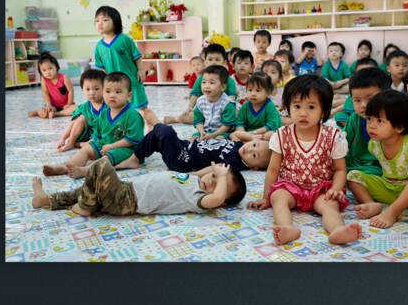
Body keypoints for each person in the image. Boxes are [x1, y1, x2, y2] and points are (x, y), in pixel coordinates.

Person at [248, 75, 361, 246]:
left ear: (323, 111)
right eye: (297, 106)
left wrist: (336, 189)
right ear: (287, 108)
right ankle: (287, 228)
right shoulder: (281, 135)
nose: (303, 113)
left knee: (330, 205)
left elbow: (339, 170)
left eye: (311, 107)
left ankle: (338, 229)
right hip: (291, 187)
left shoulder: (332, 136)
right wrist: (266, 198)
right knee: (277, 197)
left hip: (321, 189)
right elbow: (273, 170)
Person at [32, 159, 246, 218]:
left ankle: (86, 207)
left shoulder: (199, 199)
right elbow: (204, 173)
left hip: (128, 201)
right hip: (126, 189)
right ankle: (46, 199)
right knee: (84, 189)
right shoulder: (193, 181)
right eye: (213, 178)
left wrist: (223, 177)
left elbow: (217, 199)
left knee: (100, 165)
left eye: (218, 186)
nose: (211, 182)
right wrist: (217, 171)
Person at [346, 89, 408, 227]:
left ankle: (393, 212)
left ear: (399, 127)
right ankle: (371, 204)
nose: (371, 124)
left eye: (379, 120)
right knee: (352, 175)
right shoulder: (374, 145)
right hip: (390, 190)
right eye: (369, 118)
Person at [42, 72, 143, 177]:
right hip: (106, 145)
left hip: (128, 150)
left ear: (129, 95)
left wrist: (112, 146)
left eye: (118, 92)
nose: (112, 95)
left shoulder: (132, 115)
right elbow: (98, 135)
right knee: (86, 149)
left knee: (108, 157)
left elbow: (132, 140)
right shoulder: (104, 113)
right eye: (108, 91)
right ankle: (64, 167)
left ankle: (86, 171)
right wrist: (92, 146)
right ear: (103, 93)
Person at [90, 5, 158, 128]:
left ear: (115, 22)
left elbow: (137, 56)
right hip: (115, 87)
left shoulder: (125, 39)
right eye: (97, 20)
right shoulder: (98, 47)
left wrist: (141, 70)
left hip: (132, 83)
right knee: (120, 111)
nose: (100, 23)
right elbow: (101, 69)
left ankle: (155, 128)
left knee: (142, 109)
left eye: (105, 20)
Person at [134, 123, 270, 173]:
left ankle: (135, 156)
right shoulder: (240, 145)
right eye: (253, 146)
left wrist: (193, 174)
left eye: (254, 156)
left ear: (254, 167)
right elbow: (235, 134)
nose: (250, 149)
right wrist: (253, 137)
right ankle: (136, 157)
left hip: (183, 160)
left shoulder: (235, 163)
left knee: (165, 130)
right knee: (156, 138)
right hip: (185, 146)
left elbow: (213, 169)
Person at [164, 42, 238, 125]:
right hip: (205, 109)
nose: (213, 62)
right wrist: (190, 107)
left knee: (236, 116)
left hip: (223, 109)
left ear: (224, 62)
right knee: (192, 117)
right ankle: (176, 119)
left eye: (217, 60)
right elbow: (195, 94)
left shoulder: (228, 79)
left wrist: (229, 109)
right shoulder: (201, 78)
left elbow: (232, 96)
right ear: (205, 62)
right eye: (210, 59)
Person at [341, 67, 391, 184]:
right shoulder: (355, 118)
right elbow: (342, 141)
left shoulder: (390, 121)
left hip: (378, 167)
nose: (363, 105)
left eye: (370, 99)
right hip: (353, 163)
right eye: (357, 100)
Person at [55, 67, 106, 151]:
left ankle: (78, 144)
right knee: (80, 118)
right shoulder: (85, 107)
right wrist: (63, 138)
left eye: (96, 89)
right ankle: (71, 143)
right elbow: (73, 124)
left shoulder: (109, 105)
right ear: (82, 90)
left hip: (103, 135)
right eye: (88, 89)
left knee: (98, 145)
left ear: (104, 89)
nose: (92, 92)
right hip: (88, 135)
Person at [192, 64, 237, 141]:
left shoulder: (227, 103)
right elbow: (198, 120)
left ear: (223, 87)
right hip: (205, 131)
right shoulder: (200, 101)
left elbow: (227, 125)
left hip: (222, 132)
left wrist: (213, 135)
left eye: (211, 83)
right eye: (204, 82)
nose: (206, 86)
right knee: (193, 139)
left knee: (219, 140)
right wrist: (201, 131)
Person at [232, 71, 282, 140]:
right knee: (234, 135)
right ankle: (243, 144)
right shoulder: (246, 105)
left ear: (268, 93)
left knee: (271, 135)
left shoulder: (269, 106)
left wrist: (254, 133)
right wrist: (245, 135)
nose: (253, 94)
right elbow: (240, 123)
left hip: (263, 135)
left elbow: (271, 126)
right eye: (250, 90)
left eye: (258, 90)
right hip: (249, 135)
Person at [333, 57, 381, 127]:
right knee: (340, 116)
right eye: (361, 73)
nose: (364, 77)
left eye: (369, 73)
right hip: (357, 115)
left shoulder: (378, 88)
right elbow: (349, 102)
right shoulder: (355, 88)